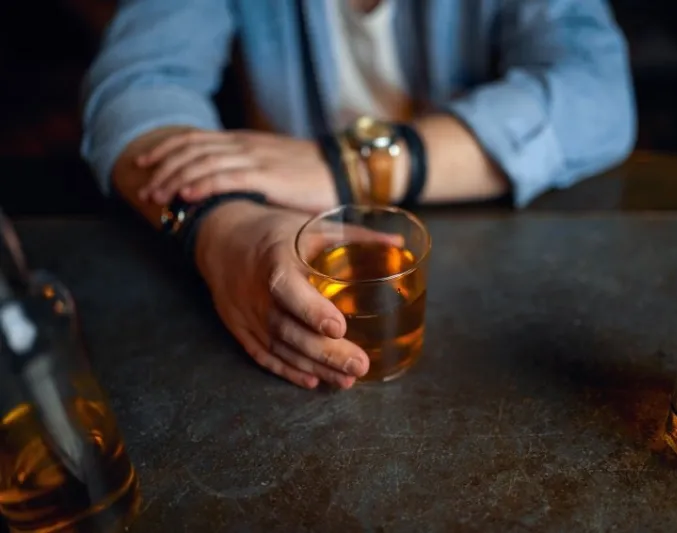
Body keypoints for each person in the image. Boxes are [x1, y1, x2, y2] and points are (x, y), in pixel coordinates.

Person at [80, 0, 637, 390]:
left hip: (493, 276)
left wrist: (349, 166)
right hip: (285, 235)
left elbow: (598, 92)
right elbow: (134, 88)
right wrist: (223, 228)